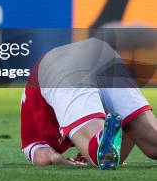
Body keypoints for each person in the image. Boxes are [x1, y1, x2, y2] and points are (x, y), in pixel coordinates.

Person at [21, 36, 157, 168]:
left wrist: (60, 160)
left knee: (98, 151)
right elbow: (127, 131)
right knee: (152, 142)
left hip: (60, 65)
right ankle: (99, 140)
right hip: (102, 51)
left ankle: (98, 138)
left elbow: (43, 157)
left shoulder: (34, 132)